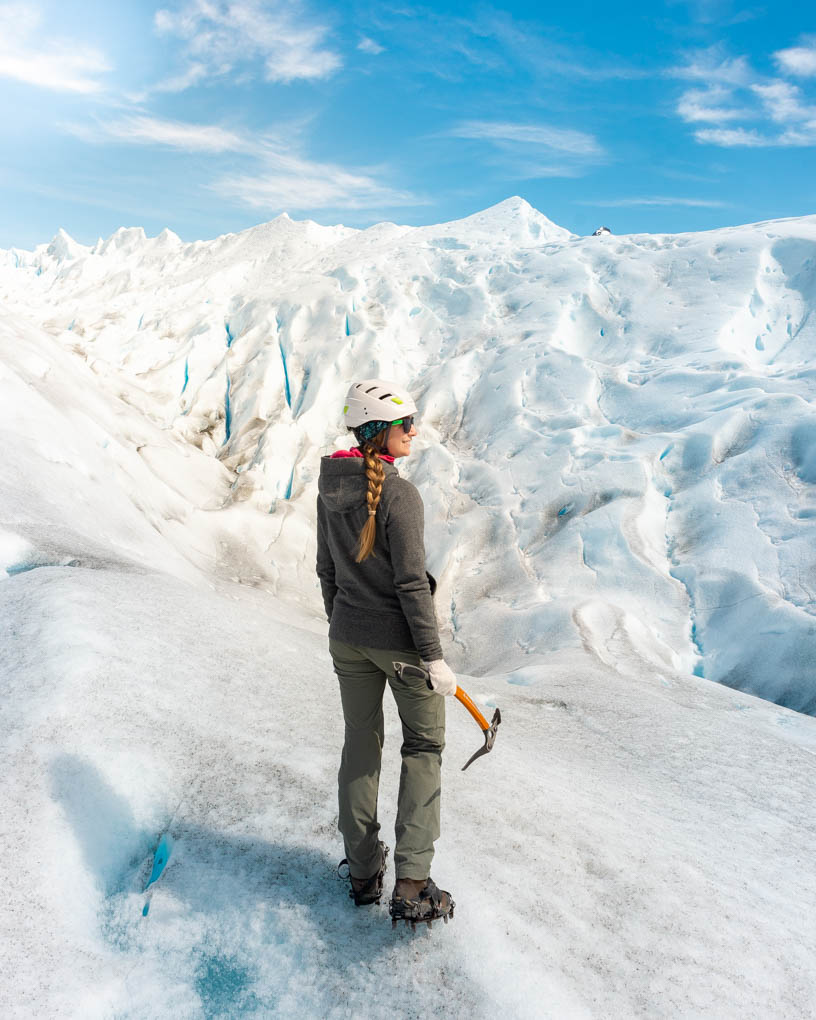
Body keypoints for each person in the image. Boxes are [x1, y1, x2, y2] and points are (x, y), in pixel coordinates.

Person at [316, 378, 457, 927]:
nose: (414, 432)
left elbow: (327, 569)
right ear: (381, 430)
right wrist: (434, 658)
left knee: (361, 742)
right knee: (423, 747)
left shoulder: (329, 486)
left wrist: (345, 623)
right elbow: (410, 586)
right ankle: (412, 886)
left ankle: (362, 872)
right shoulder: (400, 494)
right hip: (402, 647)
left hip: (346, 637)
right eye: (406, 424)